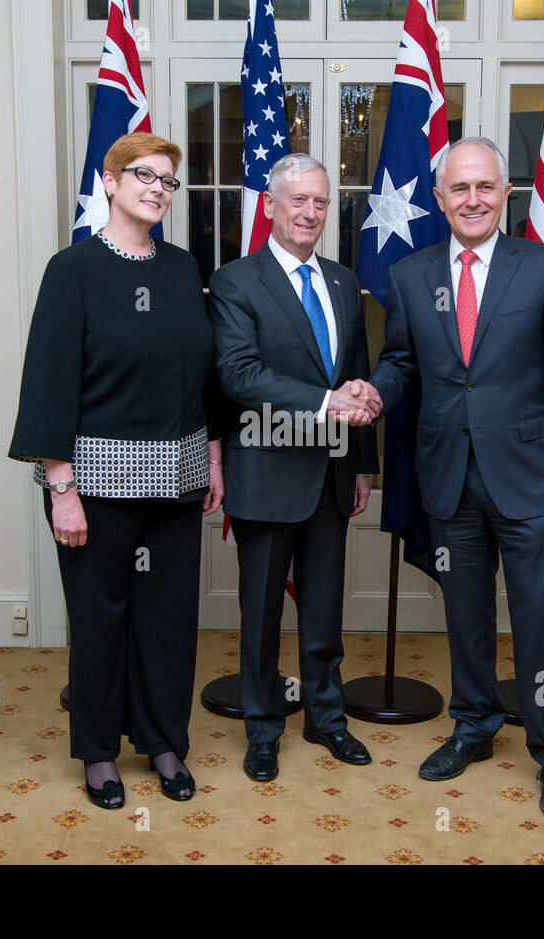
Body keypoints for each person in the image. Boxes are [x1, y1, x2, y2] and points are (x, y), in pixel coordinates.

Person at [362, 136, 544, 818]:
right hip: (448, 475)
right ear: (439, 199)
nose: (472, 199)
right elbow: (401, 361)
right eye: (459, 189)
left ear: (505, 194)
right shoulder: (411, 275)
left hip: (530, 477)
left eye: (485, 187)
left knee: (540, 620)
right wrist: (375, 392)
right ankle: (473, 726)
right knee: (465, 615)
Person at [7, 132, 226, 810]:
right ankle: (99, 751)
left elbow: (204, 374)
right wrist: (61, 489)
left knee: (167, 619)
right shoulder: (71, 271)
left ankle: (162, 740)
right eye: (143, 175)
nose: (157, 188)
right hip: (94, 487)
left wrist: (213, 454)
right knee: (101, 620)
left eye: (167, 180)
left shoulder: (184, 269)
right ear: (109, 181)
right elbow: (49, 384)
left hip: (178, 481)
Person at [209, 153, 381, 782]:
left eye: (320, 202)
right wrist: (325, 402)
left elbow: (355, 371)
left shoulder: (341, 280)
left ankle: (327, 718)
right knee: (259, 614)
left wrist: (362, 462)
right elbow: (238, 375)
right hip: (266, 473)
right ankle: (263, 730)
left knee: (323, 610)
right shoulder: (235, 282)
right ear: (270, 207)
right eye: (298, 201)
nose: (310, 213)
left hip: (333, 477)